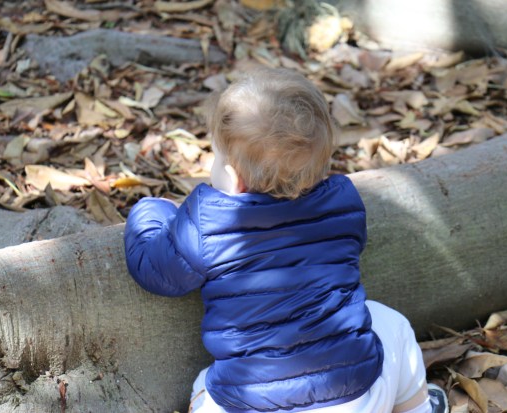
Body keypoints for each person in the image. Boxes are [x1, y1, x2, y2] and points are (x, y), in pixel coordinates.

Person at [124, 67, 449, 413]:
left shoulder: (208, 219)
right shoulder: (343, 202)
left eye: (216, 157)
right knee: (391, 324)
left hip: (252, 405)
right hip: (355, 399)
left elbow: (155, 268)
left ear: (234, 179)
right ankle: (418, 408)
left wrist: (150, 210)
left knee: (206, 387)